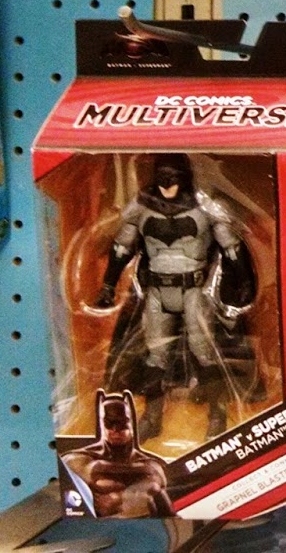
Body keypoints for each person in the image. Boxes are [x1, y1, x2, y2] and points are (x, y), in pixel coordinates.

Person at [96, 153, 252, 440]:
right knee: (156, 356)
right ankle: (152, 417)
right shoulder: (141, 207)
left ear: (184, 177)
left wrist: (242, 282)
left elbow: (231, 247)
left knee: (204, 352)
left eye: (173, 177)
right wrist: (108, 286)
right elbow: (122, 248)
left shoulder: (206, 207)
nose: (167, 184)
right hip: (157, 290)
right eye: (162, 177)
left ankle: (217, 415)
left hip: (194, 289)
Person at [60, 391, 172, 517]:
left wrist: (119, 498)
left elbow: (165, 508)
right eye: (109, 423)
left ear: (131, 423)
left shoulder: (152, 467)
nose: (115, 430)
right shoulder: (77, 461)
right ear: (102, 423)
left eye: (121, 423)